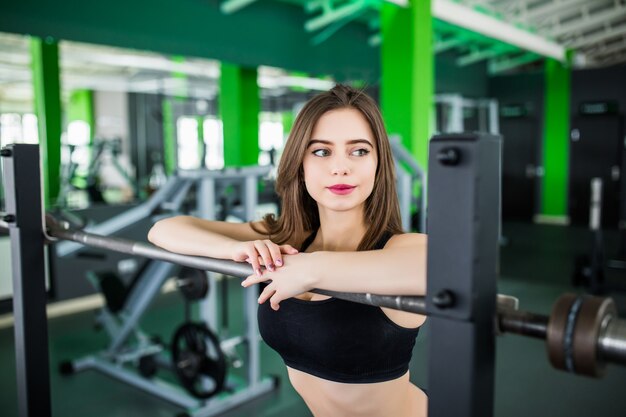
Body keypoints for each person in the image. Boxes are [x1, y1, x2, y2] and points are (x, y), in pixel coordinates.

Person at [148, 84, 428, 417]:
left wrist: (313, 269)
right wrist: (237, 247)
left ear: (379, 165)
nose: (341, 167)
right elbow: (163, 229)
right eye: (322, 152)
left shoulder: (402, 248)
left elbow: (444, 268)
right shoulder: (290, 237)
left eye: (359, 151)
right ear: (300, 165)